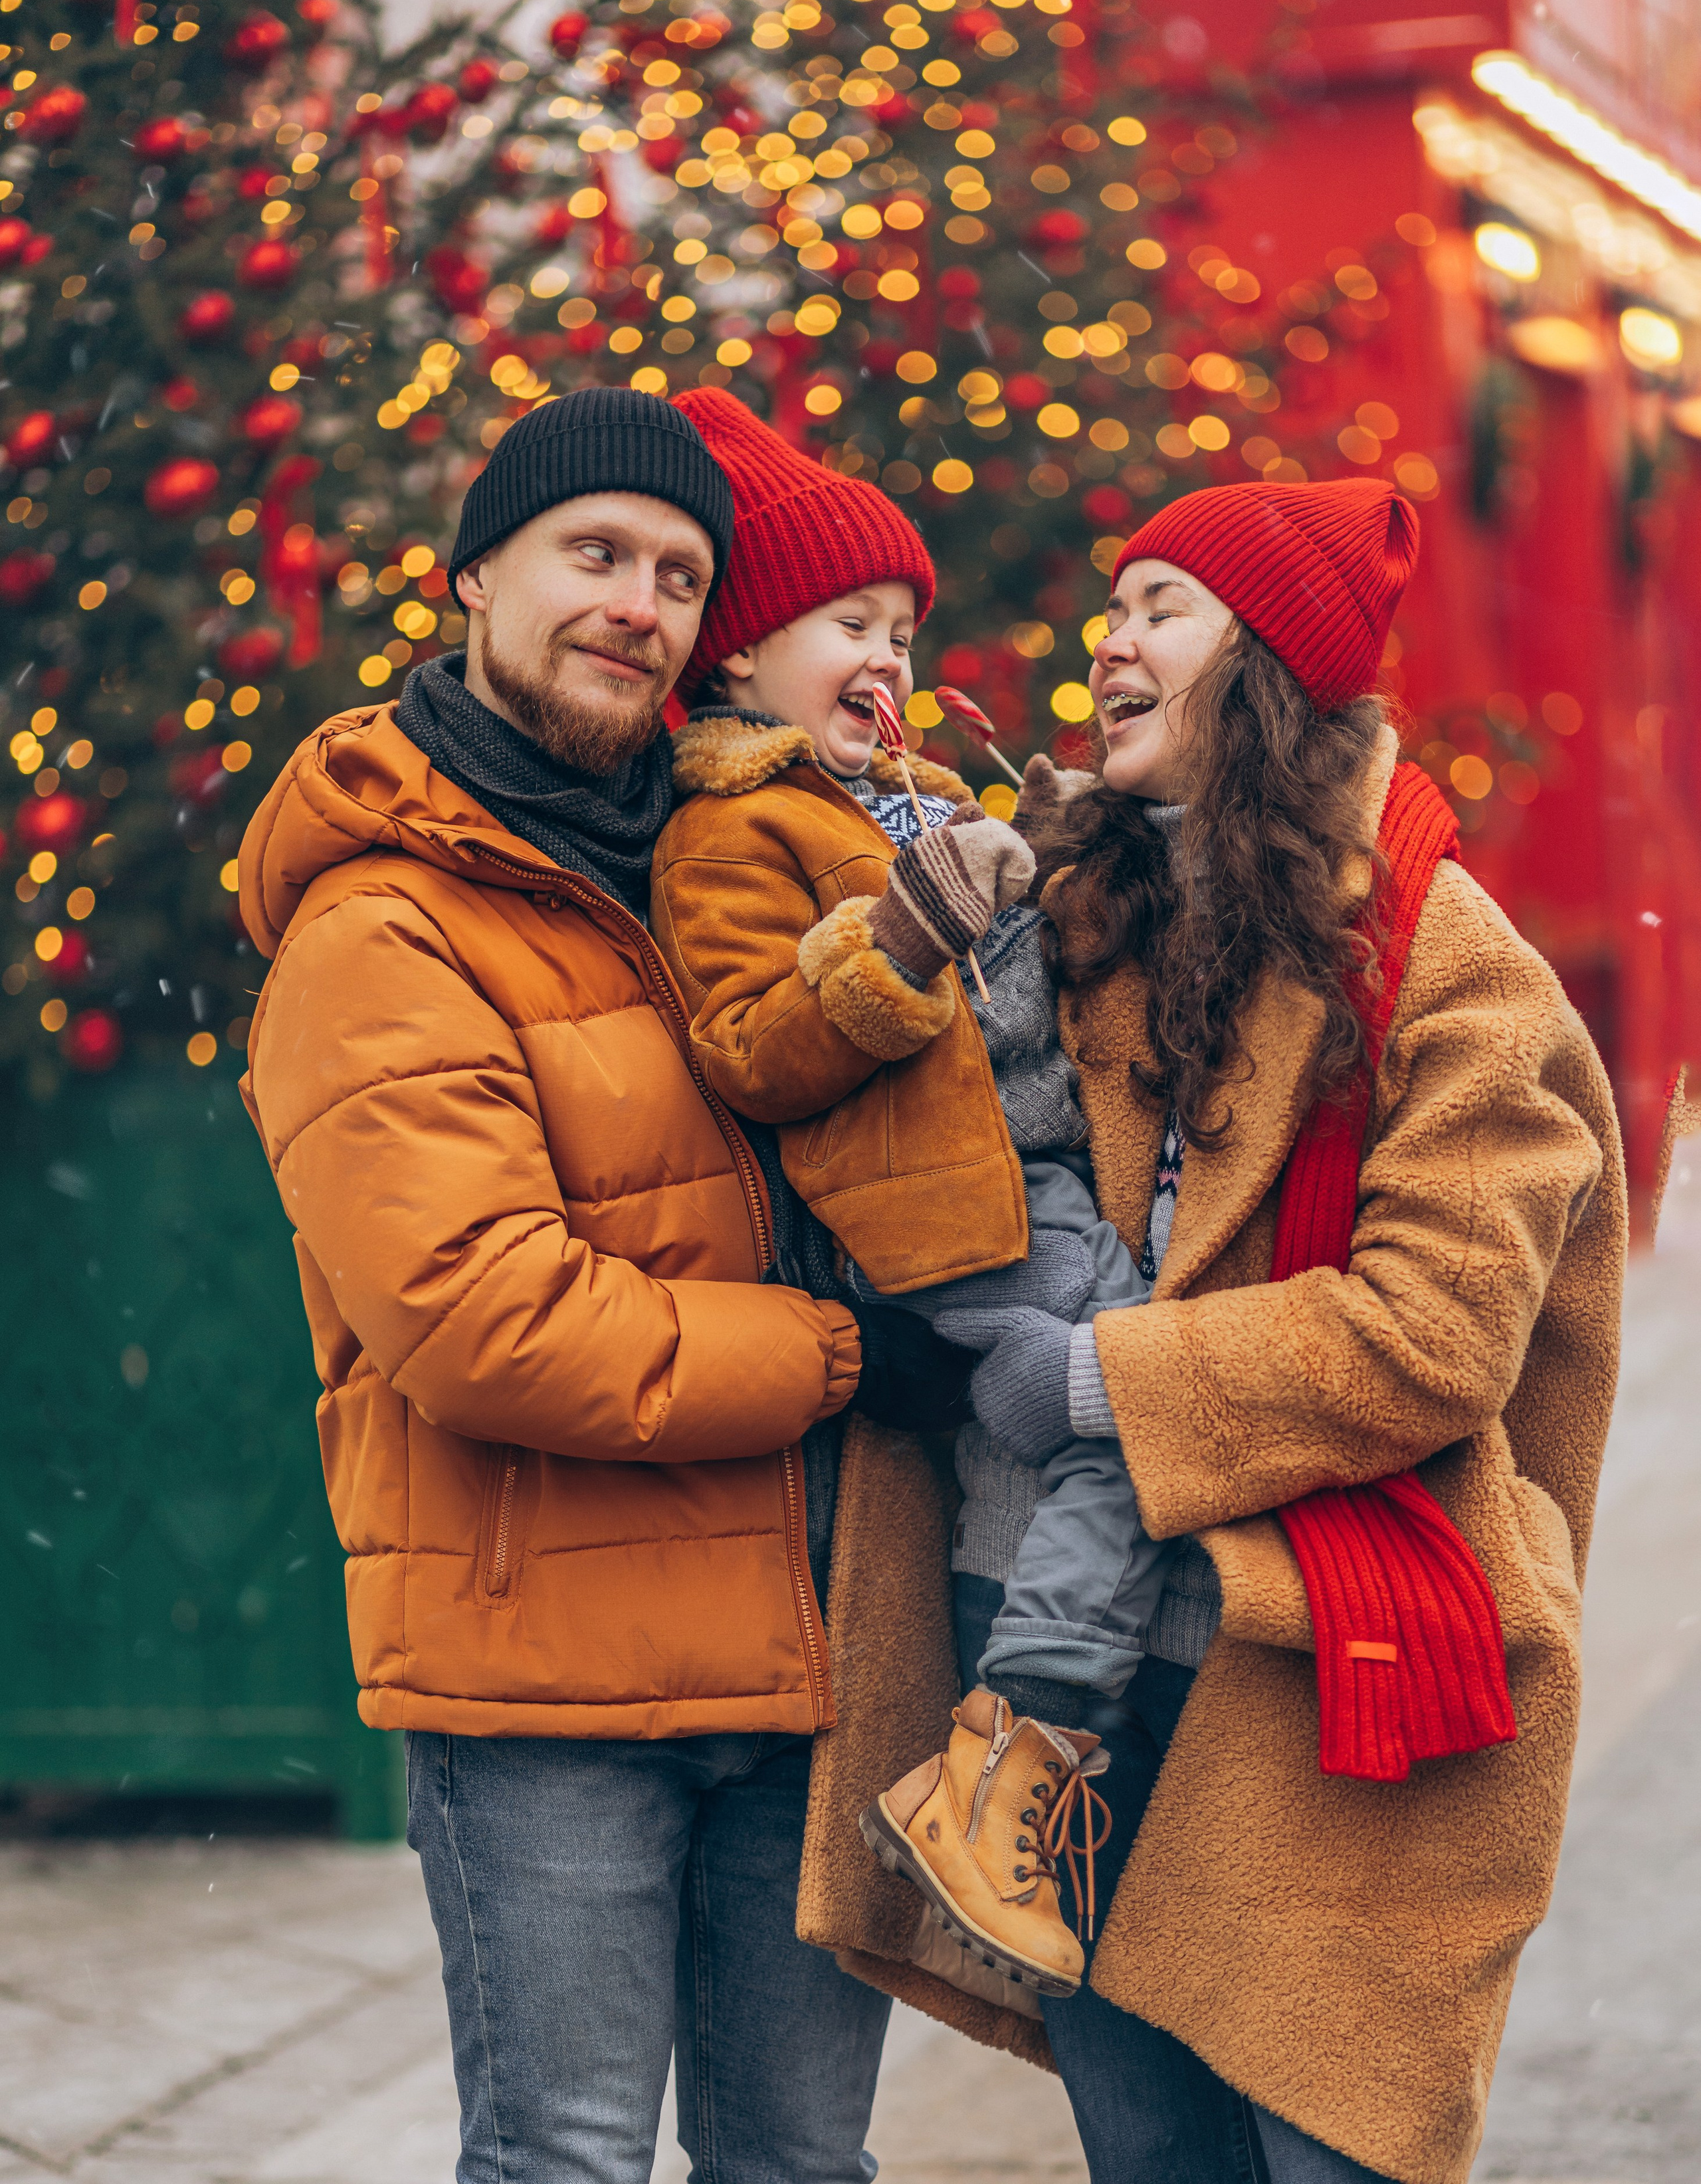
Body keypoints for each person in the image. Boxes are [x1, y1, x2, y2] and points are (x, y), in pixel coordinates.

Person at [829, 474, 1623, 2184]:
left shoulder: (1445, 963)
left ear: (1264, 662)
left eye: (1159, 607)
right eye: (1109, 607)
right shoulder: (1076, 909)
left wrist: (1100, 1376)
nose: (1107, 643)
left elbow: (1435, 1334)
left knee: (1328, 2134)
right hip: (1061, 1676)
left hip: (1316, 1666)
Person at [235, 386, 958, 2184]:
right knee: (563, 2156)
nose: (637, 601)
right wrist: (846, 1356)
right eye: (594, 553)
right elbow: (488, 1320)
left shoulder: (736, 855)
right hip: (545, 1687)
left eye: (678, 573)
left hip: (805, 1647)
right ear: (477, 574)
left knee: (799, 2165)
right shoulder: (381, 925)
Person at [649, 389, 1177, 2005]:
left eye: (897, 626)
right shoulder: (732, 829)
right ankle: (1007, 1756)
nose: (883, 655)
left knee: (1154, 1401)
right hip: (950, 1222)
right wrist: (906, 938)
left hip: (1043, 1188)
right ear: (737, 657)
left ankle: (1013, 1758)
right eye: (841, 623)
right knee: (1145, 1420)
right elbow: (754, 1047)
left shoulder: (913, 795)